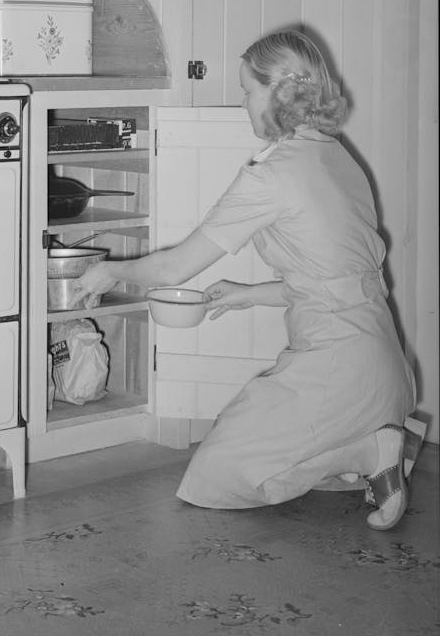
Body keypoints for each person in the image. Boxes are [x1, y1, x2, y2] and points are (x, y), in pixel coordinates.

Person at [70, 29, 418, 530]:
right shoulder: (338, 156)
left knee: (215, 479)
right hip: (386, 365)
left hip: (340, 369)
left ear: (277, 92)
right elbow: (337, 280)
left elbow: (172, 269)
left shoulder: (271, 176)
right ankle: (375, 448)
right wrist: (250, 294)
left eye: (247, 91)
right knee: (279, 458)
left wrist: (110, 271)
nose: (242, 104)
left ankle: (368, 452)